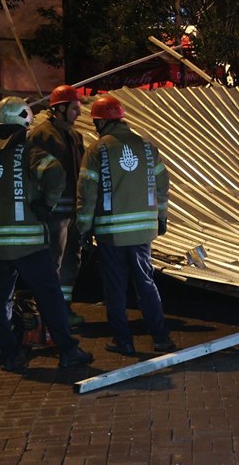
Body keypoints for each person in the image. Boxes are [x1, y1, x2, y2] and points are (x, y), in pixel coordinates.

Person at [0, 96, 93, 372]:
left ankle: (11, 354)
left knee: (1, 299)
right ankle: (68, 351)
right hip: (29, 244)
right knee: (49, 296)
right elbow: (55, 174)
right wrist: (45, 204)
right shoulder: (27, 151)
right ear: (24, 122)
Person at [76, 95, 175, 356]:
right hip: (143, 232)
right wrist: (160, 218)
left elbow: (87, 194)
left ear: (100, 123)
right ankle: (161, 337)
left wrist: (83, 229)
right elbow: (163, 184)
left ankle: (124, 341)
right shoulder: (146, 146)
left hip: (111, 235)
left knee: (115, 288)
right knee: (146, 283)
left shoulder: (97, 150)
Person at [29, 84, 86, 326]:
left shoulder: (74, 136)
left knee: (72, 258)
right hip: (52, 212)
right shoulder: (40, 135)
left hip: (72, 210)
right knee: (52, 261)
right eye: (74, 108)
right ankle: (48, 311)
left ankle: (63, 308)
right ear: (60, 108)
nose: (79, 114)